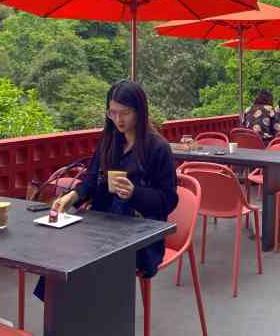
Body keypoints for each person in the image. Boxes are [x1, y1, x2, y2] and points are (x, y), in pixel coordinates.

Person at [35, 80, 178, 300]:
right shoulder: (110, 140)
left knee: (87, 264)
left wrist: (135, 193)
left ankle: (92, 319)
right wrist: (73, 196)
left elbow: (168, 200)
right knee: (60, 255)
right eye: (113, 113)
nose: (118, 120)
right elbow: (92, 178)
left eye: (125, 113)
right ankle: (62, 316)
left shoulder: (157, 148)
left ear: (139, 111)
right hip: (102, 224)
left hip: (140, 235)